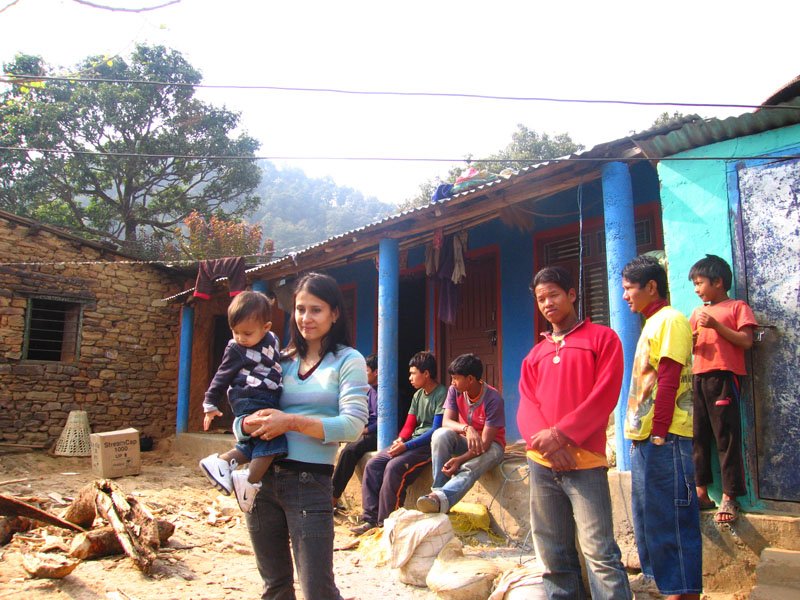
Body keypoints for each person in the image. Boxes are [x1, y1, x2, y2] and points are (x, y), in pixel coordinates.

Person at [232, 272, 369, 600]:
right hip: (261, 482)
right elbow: (243, 415)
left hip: (309, 483)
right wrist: (245, 424)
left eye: (316, 310)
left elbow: (353, 425)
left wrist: (291, 422)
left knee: (317, 590)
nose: (306, 318)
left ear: (335, 313)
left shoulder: (348, 360)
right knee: (275, 587)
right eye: (300, 309)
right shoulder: (280, 360)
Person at [517, 266, 632, 600]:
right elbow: (526, 404)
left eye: (553, 295)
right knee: (553, 551)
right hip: (542, 463)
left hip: (586, 462)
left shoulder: (603, 339)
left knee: (599, 552)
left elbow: (605, 395)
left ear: (571, 294)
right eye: (541, 299)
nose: (547, 303)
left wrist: (561, 435)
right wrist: (550, 446)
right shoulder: (535, 355)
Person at [622, 254, 701, 600]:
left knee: (673, 520)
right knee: (651, 518)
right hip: (648, 439)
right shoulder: (652, 323)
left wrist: (658, 432)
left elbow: (669, 378)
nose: (625, 295)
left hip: (666, 438)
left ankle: (681, 592)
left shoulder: (670, 320)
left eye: (629, 288)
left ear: (651, 287)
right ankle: (663, 586)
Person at [199, 291, 285, 513]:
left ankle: (223, 462)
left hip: (266, 396)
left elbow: (274, 359)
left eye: (246, 333)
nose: (240, 337)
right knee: (273, 438)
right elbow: (221, 376)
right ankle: (249, 480)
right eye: (235, 331)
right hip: (251, 395)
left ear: (266, 327)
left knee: (257, 442)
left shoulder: (272, 340)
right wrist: (210, 403)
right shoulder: (236, 348)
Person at [688, 254, 756, 524]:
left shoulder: (737, 307)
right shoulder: (697, 313)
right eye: (694, 284)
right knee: (698, 436)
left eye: (700, 283)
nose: (696, 289)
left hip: (724, 378)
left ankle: (730, 495)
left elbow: (746, 341)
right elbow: (689, 345)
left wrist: (716, 326)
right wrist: (691, 339)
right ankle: (701, 492)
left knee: (726, 437)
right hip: (699, 377)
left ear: (718, 282)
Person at [351, 351, 447, 535]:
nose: (410, 377)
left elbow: (435, 429)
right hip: (412, 441)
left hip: (428, 445)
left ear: (426, 374)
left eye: (413, 373)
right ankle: (370, 519)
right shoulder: (418, 395)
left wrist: (406, 446)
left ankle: (386, 523)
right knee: (373, 464)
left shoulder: (442, 393)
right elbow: (409, 425)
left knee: (394, 467)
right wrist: (401, 439)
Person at [416, 353, 506, 514]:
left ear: (470, 379)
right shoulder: (454, 391)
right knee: (440, 435)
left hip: (492, 447)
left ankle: (439, 499)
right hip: (466, 441)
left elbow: (485, 444)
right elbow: (446, 422)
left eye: (456, 378)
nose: (452, 382)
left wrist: (460, 459)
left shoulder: (493, 399)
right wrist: (467, 428)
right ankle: (437, 491)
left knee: (468, 467)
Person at [331, 353, 379, 508]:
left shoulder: (385, 392)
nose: (363, 374)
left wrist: (365, 430)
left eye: (367, 371)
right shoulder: (368, 390)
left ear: (376, 372)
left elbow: (384, 420)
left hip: (376, 433)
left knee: (349, 451)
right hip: (363, 429)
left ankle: (333, 497)